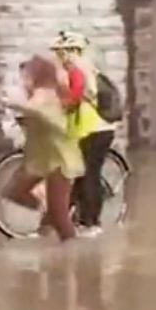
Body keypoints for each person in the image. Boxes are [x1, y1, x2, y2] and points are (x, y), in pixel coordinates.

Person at [0, 54, 83, 241]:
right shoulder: (37, 93)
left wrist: (14, 105)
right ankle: (47, 215)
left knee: (61, 220)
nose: (24, 80)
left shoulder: (48, 94)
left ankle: (74, 254)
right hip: (41, 159)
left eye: (27, 75)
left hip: (59, 159)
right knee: (13, 192)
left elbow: (49, 118)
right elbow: (36, 119)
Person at [52, 31, 116, 237]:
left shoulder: (80, 70)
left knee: (89, 174)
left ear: (75, 51)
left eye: (63, 52)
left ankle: (92, 223)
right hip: (85, 130)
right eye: (58, 53)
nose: (60, 57)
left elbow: (75, 97)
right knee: (78, 174)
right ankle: (77, 219)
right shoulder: (74, 71)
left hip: (98, 130)